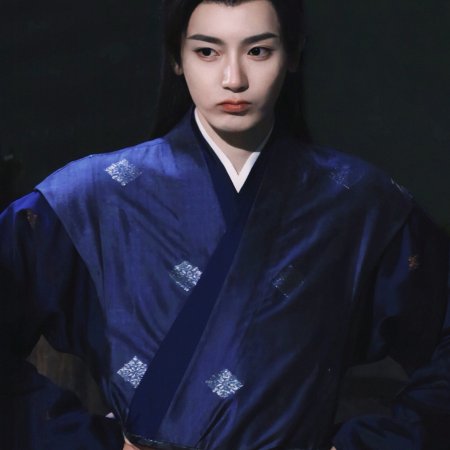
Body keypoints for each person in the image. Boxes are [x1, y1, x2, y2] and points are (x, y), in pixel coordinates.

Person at [1, 0, 449, 449]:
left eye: (258, 51)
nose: (234, 78)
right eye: (207, 51)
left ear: (294, 55)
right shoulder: (89, 195)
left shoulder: (357, 201)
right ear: (176, 58)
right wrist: (81, 441)